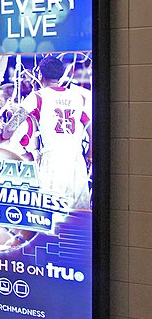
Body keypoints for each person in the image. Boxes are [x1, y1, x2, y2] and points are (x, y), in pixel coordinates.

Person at [21, 56, 92, 209]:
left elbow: (13, 124)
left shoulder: (37, 96)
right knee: (80, 214)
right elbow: (90, 127)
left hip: (53, 161)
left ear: (40, 75)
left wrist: (4, 133)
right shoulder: (77, 97)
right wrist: (90, 153)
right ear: (60, 75)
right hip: (76, 162)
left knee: (51, 214)